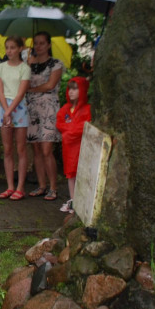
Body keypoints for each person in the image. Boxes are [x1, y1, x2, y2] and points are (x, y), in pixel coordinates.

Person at [25, 31, 64, 201]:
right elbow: (22, 82)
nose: (38, 46)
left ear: (48, 45)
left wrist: (31, 89)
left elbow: (50, 85)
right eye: (36, 43)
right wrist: (28, 66)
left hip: (48, 109)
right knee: (36, 149)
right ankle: (42, 185)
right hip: (32, 109)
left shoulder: (56, 64)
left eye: (42, 43)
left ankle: (53, 187)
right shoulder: (29, 63)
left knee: (47, 149)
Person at [0, 35, 32, 200]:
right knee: (7, 149)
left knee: (21, 149)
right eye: (7, 48)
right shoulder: (0, 67)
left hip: (19, 107)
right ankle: (10, 186)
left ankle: (20, 187)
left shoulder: (25, 68)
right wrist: (5, 111)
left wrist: (9, 111)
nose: (9, 51)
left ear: (20, 49)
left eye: (12, 47)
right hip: (4, 107)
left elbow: (21, 92)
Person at [56, 76, 92, 214]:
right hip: (68, 148)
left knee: (81, 173)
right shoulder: (65, 108)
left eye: (75, 89)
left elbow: (84, 126)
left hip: (81, 147)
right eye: (69, 89)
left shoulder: (87, 109)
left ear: (82, 90)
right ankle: (73, 200)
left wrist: (70, 130)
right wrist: (70, 129)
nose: (71, 92)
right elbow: (59, 124)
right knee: (70, 174)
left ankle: (82, 202)